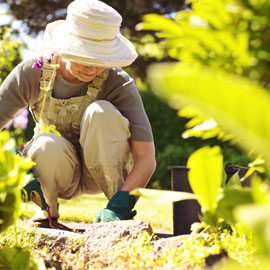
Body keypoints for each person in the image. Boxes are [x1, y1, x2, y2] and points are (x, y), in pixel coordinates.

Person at [0, 0, 156, 226]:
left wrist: (123, 202)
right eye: (85, 57)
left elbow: (146, 157)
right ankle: (46, 213)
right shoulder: (32, 73)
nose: (93, 69)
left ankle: (113, 219)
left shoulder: (118, 83)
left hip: (103, 171)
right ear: (65, 47)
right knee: (45, 144)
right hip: (53, 170)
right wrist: (11, 161)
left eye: (101, 59)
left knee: (101, 113)